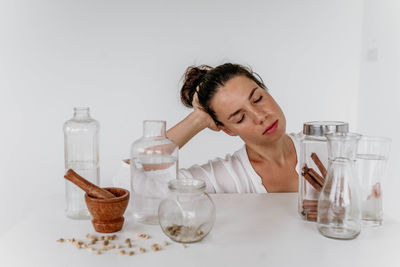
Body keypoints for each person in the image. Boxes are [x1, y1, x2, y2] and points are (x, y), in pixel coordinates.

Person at [166, 63, 300, 193]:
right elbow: (149, 179)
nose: (260, 116)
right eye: (240, 118)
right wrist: (198, 118)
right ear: (227, 130)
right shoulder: (226, 177)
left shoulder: (318, 146)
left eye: (258, 99)